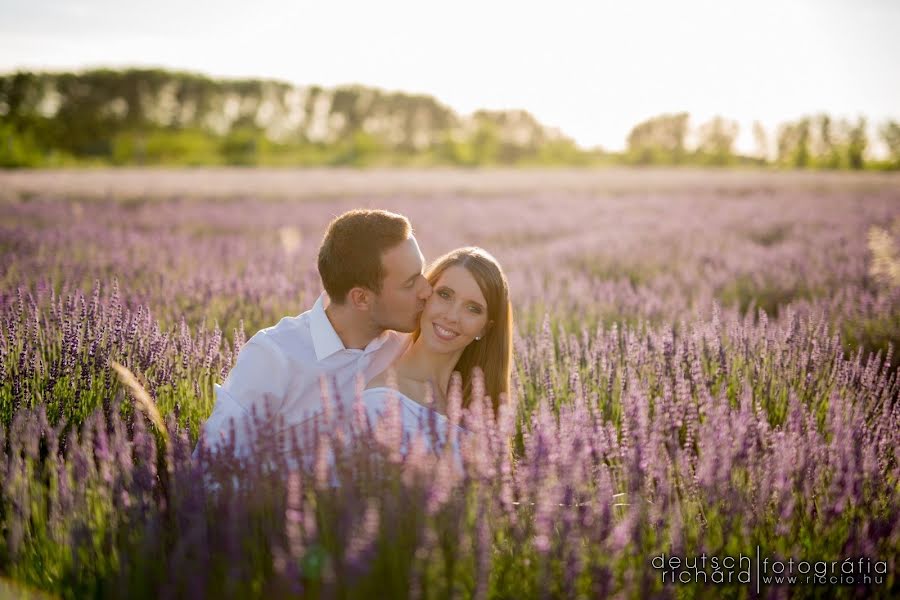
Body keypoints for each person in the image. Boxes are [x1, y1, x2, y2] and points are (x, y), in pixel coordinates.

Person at [194, 209, 433, 459]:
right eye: (410, 283)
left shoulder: (411, 344)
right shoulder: (274, 356)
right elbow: (211, 465)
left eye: (423, 273)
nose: (427, 290)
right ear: (361, 298)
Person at [361, 246, 513, 457]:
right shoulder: (381, 403)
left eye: (473, 308)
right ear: (425, 295)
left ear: (485, 328)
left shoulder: (476, 411)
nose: (452, 316)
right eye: (444, 295)